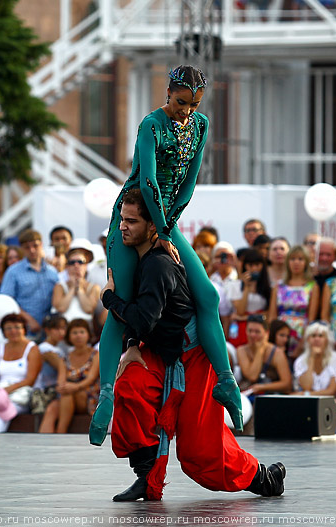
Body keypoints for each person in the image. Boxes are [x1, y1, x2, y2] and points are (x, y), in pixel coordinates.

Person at [99, 189, 285, 501]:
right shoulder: (137, 261)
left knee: (201, 456)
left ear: (151, 226)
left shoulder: (160, 264)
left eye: (131, 221)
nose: (122, 227)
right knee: (131, 386)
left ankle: (263, 477)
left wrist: (108, 298)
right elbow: (139, 321)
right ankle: (146, 475)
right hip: (160, 351)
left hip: (193, 356)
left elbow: (144, 318)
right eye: (121, 220)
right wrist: (132, 344)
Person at [92, 66, 244, 446]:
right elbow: (147, 180)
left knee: (207, 295)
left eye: (193, 104)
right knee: (119, 306)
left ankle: (226, 382)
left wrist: (167, 226)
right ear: (168, 94)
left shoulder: (200, 125)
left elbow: (190, 179)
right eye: (180, 102)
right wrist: (156, 228)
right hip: (135, 213)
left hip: (166, 218)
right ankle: (105, 397)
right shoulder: (151, 124)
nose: (186, 111)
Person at [0, 313, 42, 433]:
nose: (13, 331)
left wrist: (6, 390)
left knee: (0, 417)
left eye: (17, 327)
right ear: (3, 332)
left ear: (24, 329)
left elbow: (30, 379)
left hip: (19, 391)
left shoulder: (32, 349)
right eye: (9, 328)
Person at [0, 229, 59, 339]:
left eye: (35, 246)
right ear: (22, 249)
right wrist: (28, 319)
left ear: (41, 245)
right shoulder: (13, 272)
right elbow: (6, 300)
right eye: (27, 247)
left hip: (49, 331)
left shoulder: (53, 272)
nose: (32, 250)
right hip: (24, 330)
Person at [268, 244, 317, 357]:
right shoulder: (278, 286)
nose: (296, 262)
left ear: (306, 263)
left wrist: (302, 343)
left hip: (301, 335)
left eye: (300, 259)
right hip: (279, 335)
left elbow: (311, 318)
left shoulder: (312, 286)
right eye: (293, 259)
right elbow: (272, 316)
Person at [55, 319, 100, 433]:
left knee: (70, 394)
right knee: (64, 397)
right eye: (74, 333)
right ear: (69, 337)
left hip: (90, 395)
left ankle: (60, 431)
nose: (78, 336)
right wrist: (62, 387)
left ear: (88, 335)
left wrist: (75, 387)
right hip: (69, 393)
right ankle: (60, 431)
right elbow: (61, 380)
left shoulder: (95, 354)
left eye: (81, 332)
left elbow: (91, 378)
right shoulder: (64, 358)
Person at [236, 315, 292, 399]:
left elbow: (287, 384)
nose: (252, 335)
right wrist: (260, 351)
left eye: (257, 332)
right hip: (247, 397)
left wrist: (263, 387)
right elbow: (252, 376)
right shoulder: (241, 350)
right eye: (250, 331)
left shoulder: (277, 353)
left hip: (270, 397)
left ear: (266, 333)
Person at [229, 249, 271, 347]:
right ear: (245, 266)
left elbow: (269, 312)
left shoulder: (268, 286)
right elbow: (240, 310)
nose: (254, 268)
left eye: (257, 265)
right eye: (250, 265)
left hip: (260, 327)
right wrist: (247, 287)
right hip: (241, 329)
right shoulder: (235, 285)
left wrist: (245, 317)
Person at [292, 321, 336, 397]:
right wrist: (312, 358)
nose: (317, 339)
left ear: (327, 340)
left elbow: (332, 391)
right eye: (313, 336)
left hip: (333, 404)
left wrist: (305, 394)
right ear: (308, 340)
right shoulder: (300, 361)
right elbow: (307, 387)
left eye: (320, 336)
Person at [52, 241, 101, 323]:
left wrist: (79, 289)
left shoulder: (94, 287)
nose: (76, 265)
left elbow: (88, 308)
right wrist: (72, 288)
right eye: (72, 262)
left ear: (86, 266)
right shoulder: (59, 286)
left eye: (80, 262)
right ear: (67, 267)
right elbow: (61, 308)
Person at [34, 315, 68, 434]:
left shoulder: (59, 348)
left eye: (63, 328)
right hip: (46, 392)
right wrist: (61, 387)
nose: (61, 332)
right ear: (47, 330)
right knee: (53, 409)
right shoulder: (45, 348)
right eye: (57, 329)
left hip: (52, 390)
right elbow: (61, 367)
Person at [313, 237, 336, 302]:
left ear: (335, 256)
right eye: (321, 254)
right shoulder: (309, 278)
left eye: (328, 255)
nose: (324, 258)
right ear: (315, 255)